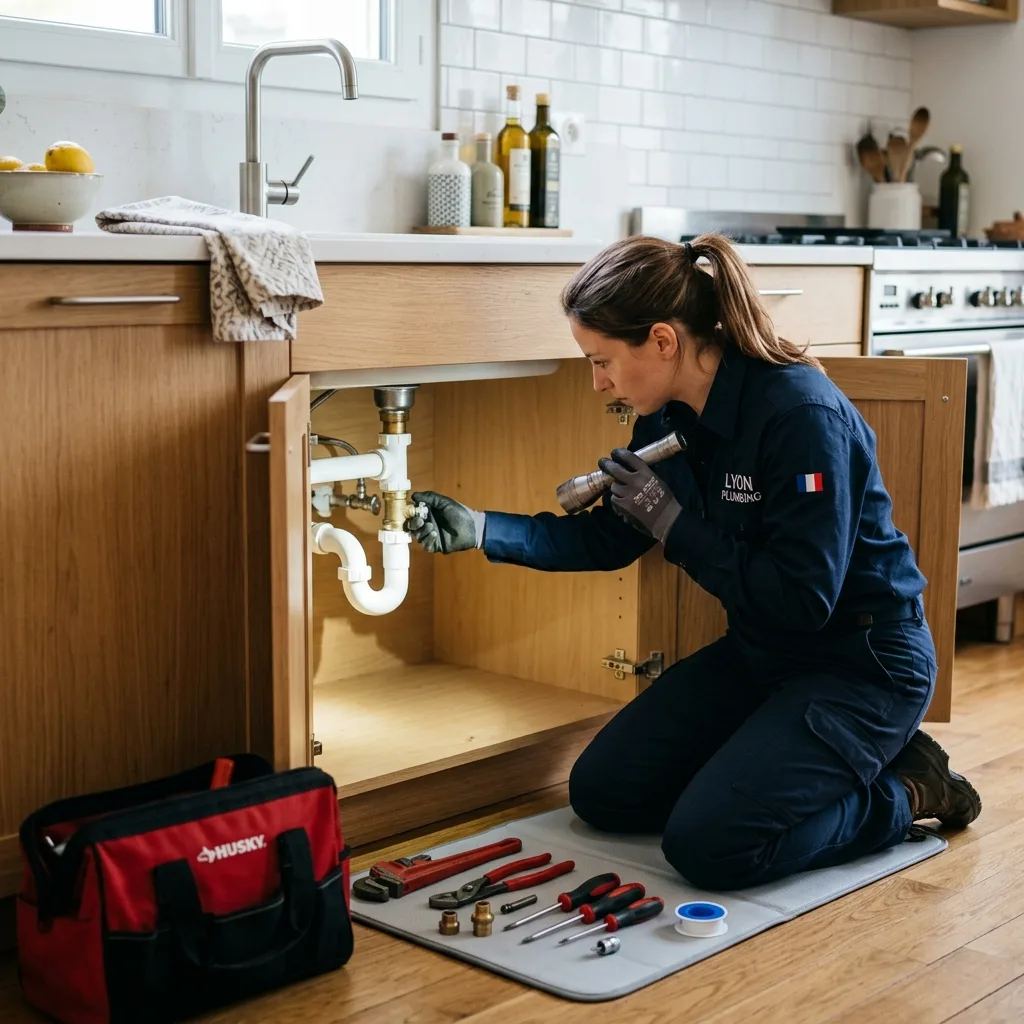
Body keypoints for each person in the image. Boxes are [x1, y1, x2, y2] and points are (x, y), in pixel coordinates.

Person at [404, 233, 981, 891]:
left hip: (860, 666)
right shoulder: (668, 418)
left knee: (711, 845)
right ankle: (788, 764)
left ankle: (911, 788)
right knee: (602, 793)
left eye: (602, 361)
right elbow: (608, 541)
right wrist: (480, 528)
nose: (598, 384)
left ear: (662, 340)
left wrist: (674, 524)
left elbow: (802, 598)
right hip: (761, 654)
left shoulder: (800, 414)